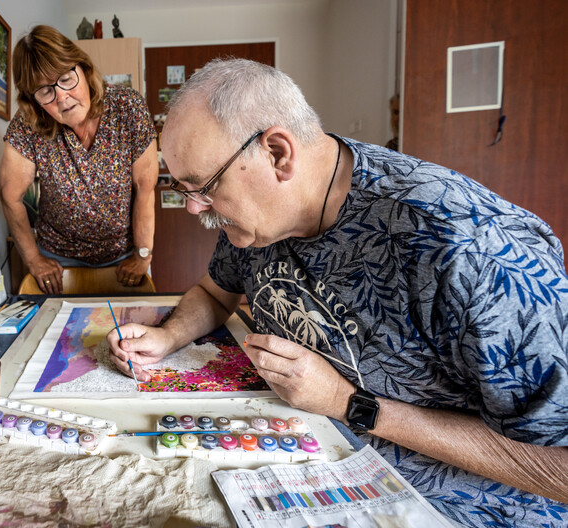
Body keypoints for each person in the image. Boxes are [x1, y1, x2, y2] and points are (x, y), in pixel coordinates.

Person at [106, 58, 568, 526]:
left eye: (204, 187)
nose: (192, 208)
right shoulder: (257, 219)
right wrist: (168, 336)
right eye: (183, 188)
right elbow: (215, 291)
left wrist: (350, 404)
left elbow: (560, 468)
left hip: (447, 509)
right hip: (303, 460)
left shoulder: (471, 250)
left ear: (277, 154)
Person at [0, 25, 157, 294]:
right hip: (58, 261)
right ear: (34, 100)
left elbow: (145, 188)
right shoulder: (28, 124)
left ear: (83, 68)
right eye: (45, 91)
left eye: (66, 78)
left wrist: (143, 255)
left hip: (124, 257)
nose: (62, 97)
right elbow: (9, 195)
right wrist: (33, 259)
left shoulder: (128, 107)